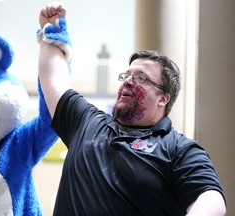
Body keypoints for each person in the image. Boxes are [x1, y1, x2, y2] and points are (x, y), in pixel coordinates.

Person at [38, 3, 226, 216]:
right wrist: (50, 30)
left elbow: (210, 198)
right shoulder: (87, 122)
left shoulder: (179, 149)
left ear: (163, 98)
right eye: (126, 75)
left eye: (141, 78)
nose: (128, 81)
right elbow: (54, 79)